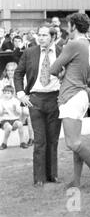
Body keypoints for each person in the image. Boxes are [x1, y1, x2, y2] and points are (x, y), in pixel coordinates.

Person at [49, 13, 90, 194]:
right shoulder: (88, 46)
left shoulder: (73, 44)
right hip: (80, 93)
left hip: (72, 95)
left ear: (74, 26)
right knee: (76, 143)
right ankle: (76, 180)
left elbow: (53, 69)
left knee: (73, 143)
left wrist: (62, 72)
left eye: (69, 25)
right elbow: (89, 73)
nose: (67, 28)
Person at [14, 24, 62, 186]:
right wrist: (21, 94)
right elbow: (18, 73)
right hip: (35, 100)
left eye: (45, 35)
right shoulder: (29, 52)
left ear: (53, 37)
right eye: (39, 35)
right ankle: (39, 178)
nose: (40, 38)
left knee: (53, 140)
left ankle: (52, 174)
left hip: (55, 99)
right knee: (40, 140)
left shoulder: (62, 52)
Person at [0, 85, 27, 150]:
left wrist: (15, 110)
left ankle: (22, 142)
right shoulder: (1, 101)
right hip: (5, 120)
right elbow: (0, 113)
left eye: (8, 93)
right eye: (5, 93)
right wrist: (2, 112)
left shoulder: (15, 101)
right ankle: (4, 143)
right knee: (9, 127)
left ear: (12, 94)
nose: (6, 95)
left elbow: (19, 113)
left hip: (14, 119)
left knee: (20, 124)